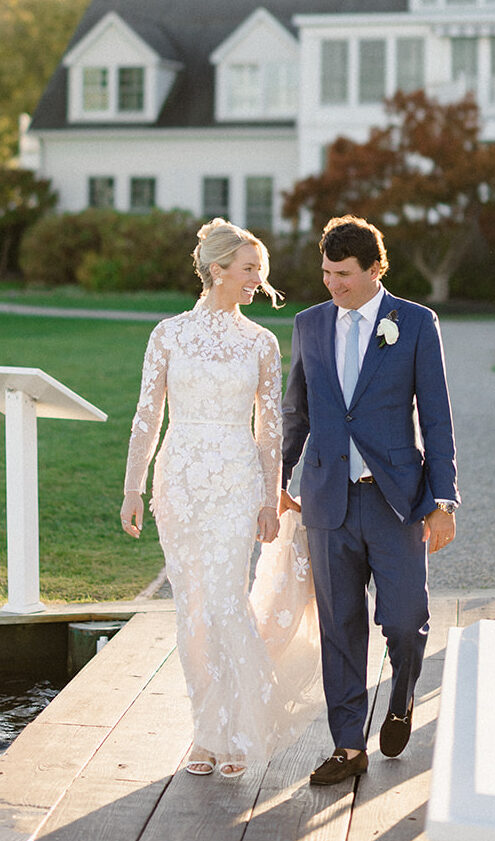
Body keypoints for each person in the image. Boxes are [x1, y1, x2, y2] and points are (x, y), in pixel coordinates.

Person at [121, 218, 320, 780]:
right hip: (179, 483)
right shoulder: (167, 335)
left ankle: (236, 726)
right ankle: (204, 734)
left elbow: (271, 428)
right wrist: (133, 488)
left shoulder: (261, 341)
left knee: (226, 603)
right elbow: (147, 416)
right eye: (250, 269)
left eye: (261, 270)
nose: (258, 279)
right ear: (218, 270)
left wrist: (268, 495)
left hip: (236, 483)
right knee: (192, 612)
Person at [281, 215, 460, 786]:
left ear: (375, 269)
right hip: (327, 501)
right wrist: (280, 482)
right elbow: (297, 412)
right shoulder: (309, 325)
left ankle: (402, 696)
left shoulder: (414, 323)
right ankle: (347, 746)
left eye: (345, 275)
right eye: (327, 273)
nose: (333, 285)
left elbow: (436, 416)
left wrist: (442, 500)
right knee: (340, 627)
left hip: (397, 501)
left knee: (406, 620)